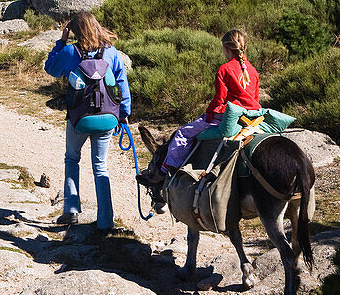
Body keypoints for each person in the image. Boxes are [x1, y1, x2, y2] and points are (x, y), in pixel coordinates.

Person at [44, 12, 132, 231]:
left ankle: (71, 212)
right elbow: (122, 82)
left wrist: (61, 41)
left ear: (74, 30)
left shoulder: (69, 51)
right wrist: (124, 113)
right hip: (108, 118)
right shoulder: (110, 52)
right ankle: (105, 221)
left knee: (72, 159)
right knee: (100, 167)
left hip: (79, 118)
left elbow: (51, 69)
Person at [138, 29, 260, 185]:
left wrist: (208, 115)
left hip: (228, 116)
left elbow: (219, 99)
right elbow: (255, 98)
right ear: (245, 47)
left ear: (226, 49)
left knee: (182, 133)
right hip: (249, 117)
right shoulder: (253, 71)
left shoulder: (225, 69)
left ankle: (165, 171)